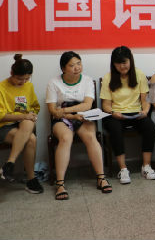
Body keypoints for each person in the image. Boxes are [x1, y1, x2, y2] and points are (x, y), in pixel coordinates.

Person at [47, 51, 110, 200]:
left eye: (79, 63)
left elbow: (87, 105)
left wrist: (65, 110)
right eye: (72, 65)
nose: (77, 68)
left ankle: (101, 178)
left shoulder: (87, 80)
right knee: (66, 138)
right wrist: (70, 115)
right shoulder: (53, 82)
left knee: (90, 137)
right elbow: (53, 111)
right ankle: (60, 184)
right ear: (63, 68)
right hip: (62, 119)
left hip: (82, 116)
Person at [101, 46, 155, 184]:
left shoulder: (139, 74)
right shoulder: (108, 77)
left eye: (124, 62)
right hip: (116, 113)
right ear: (113, 64)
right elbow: (105, 105)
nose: (122, 66)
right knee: (114, 129)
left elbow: (145, 100)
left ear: (130, 61)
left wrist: (145, 111)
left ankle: (146, 166)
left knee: (150, 126)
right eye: (118, 63)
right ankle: (123, 169)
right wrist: (113, 113)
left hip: (136, 112)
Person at [0, 55, 43, 194]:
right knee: (31, 139)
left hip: (24, 124)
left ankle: (9, 163)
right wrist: (23, 115)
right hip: (5, 126)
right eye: (19, 79)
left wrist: (31, 114)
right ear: (11, 73)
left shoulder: (29, 86)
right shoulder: (1, 88)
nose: (23, 82)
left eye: (27, 79)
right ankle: (31, 179)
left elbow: (35, 107)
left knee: (28, 121)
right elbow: (1, 116)